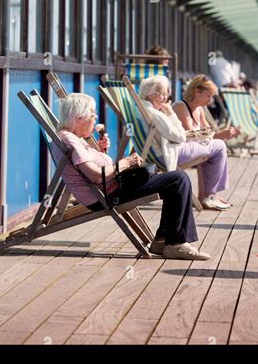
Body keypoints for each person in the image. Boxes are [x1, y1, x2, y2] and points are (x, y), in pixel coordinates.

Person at [55, 92, 210, 260]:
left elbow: (89, 169)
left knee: (174, 181)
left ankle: (163, 240)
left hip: (109, 189)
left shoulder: (70, 138)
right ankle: (175, 244)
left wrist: (101, 153)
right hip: (109, 194)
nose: (96, 117)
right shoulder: (71, 140)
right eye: (92, 113)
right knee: (178, 180)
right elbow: (96, 176)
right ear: (79, 117)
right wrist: (125, 163)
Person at [140, 74, 239, 210]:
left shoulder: (145, 110)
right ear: (151, 94)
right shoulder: (159, 113)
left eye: (165, 94)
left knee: (215, 147)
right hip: (170, 153)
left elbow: (205, 135)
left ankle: (208, 195)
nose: (165, 98)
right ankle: (209, 196)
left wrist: (223, 134)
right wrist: (170, 113)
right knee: (219, 146)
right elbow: (180, 136)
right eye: (161, 94)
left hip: (163, 152)